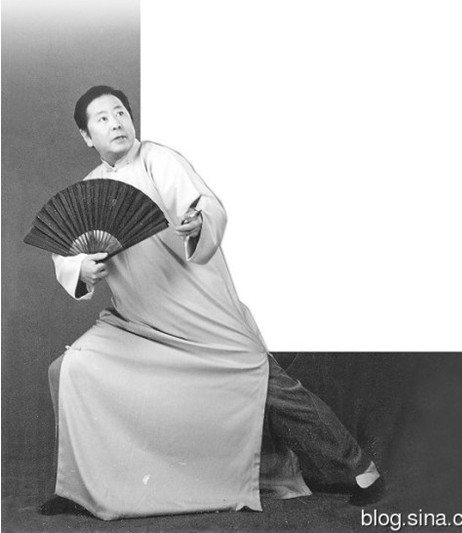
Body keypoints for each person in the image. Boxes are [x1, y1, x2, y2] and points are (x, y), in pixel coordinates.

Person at [39, 85, 384, 520]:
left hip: (200, 312)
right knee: (70, 369)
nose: (116, 123)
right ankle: (78, 487)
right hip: (135, 322)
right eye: (102, 119)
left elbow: (207, 206)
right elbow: (67, 253)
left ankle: (360, 469)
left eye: (120, 112)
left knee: (267, 384)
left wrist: (198, 221)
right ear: (87, 136)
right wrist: (81, 270)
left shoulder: (159, 161)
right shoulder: (89, 190)